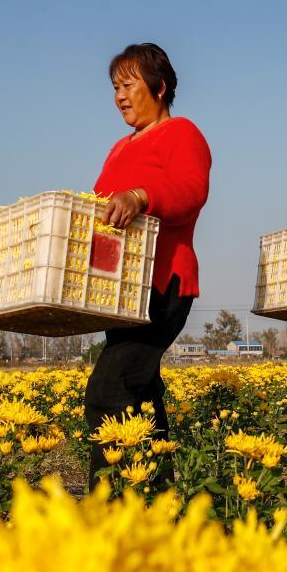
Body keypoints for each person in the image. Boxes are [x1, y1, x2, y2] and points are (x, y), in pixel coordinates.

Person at [85, 43, 211, 490]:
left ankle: (112, 503)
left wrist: (140, 195)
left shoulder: (182, 134)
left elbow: (190, 190)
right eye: (115, 87)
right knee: (141, 392)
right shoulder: (120, 148)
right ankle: (160, 497)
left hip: (163, 282)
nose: (119, 95)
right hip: (122, 289)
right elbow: (98, 204)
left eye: (128, 84)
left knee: (109, 390)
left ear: (159, 87)